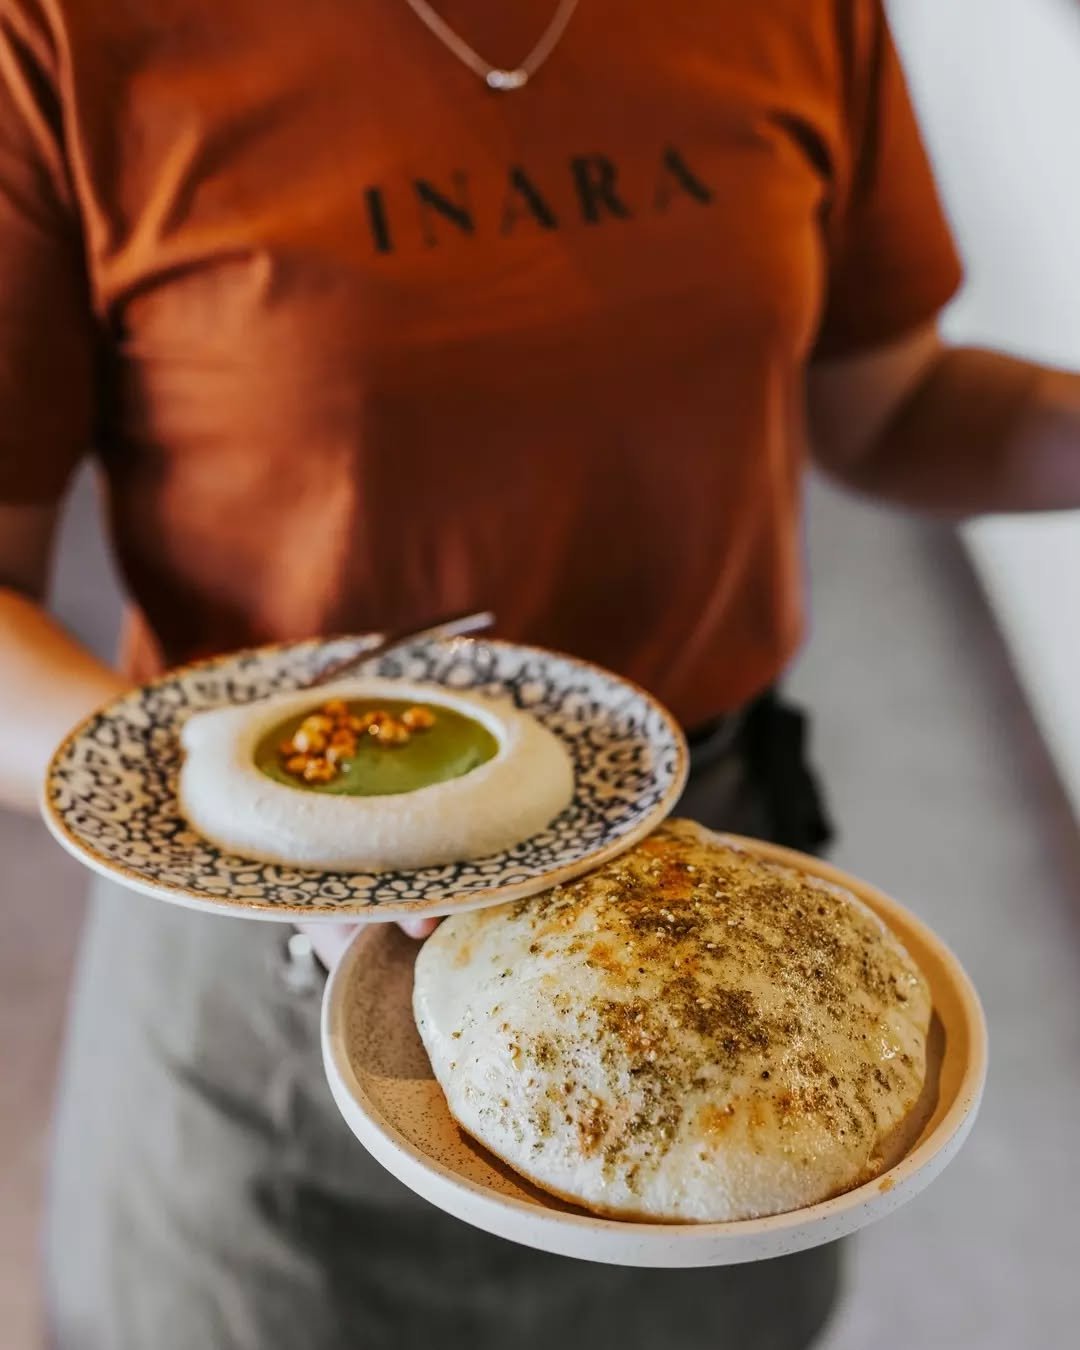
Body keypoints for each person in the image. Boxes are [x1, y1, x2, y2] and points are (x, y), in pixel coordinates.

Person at [1, 1, 1077, 1346]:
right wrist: (240, 812)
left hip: (712, 938)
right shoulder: (68, 36)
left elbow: (894, 404)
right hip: (272, 949)